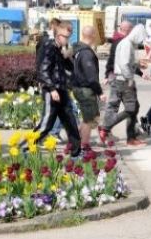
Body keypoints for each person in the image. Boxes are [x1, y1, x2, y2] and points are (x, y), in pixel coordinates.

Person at [35, 21, 81, 157]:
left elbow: (64, 68)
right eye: (65, 36)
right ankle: (24, 147)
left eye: (69, 36)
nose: (67, 39)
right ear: (57, 34)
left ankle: (76, 152)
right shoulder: (49, 46)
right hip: (53, 91)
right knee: (46, 126)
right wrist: (52, 88)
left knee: (71, 122)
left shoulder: (58, 48)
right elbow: (43, 70)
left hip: (61, 89)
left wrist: (67, 57)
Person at [99, 24, 147, 147]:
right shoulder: (127, 44)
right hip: (124, 80)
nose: (140, 42)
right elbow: (124, 63)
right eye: (141, 38)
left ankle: (129, 136)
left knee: (133, 107)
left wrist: (137, 66)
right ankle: (107, 128)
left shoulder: (125, 43)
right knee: (132, 109)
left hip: (120, 79)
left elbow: (125, 62)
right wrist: (130, 78)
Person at [72, 26, 106, 148]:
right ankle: (84, 146)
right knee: (89, 119)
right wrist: (100, 92)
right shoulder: (86, 53)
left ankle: (78, 140)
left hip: (77, 87)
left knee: (89, 116)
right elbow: (91, 76)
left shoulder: (77, 49)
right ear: (92, 36)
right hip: (85, 89)